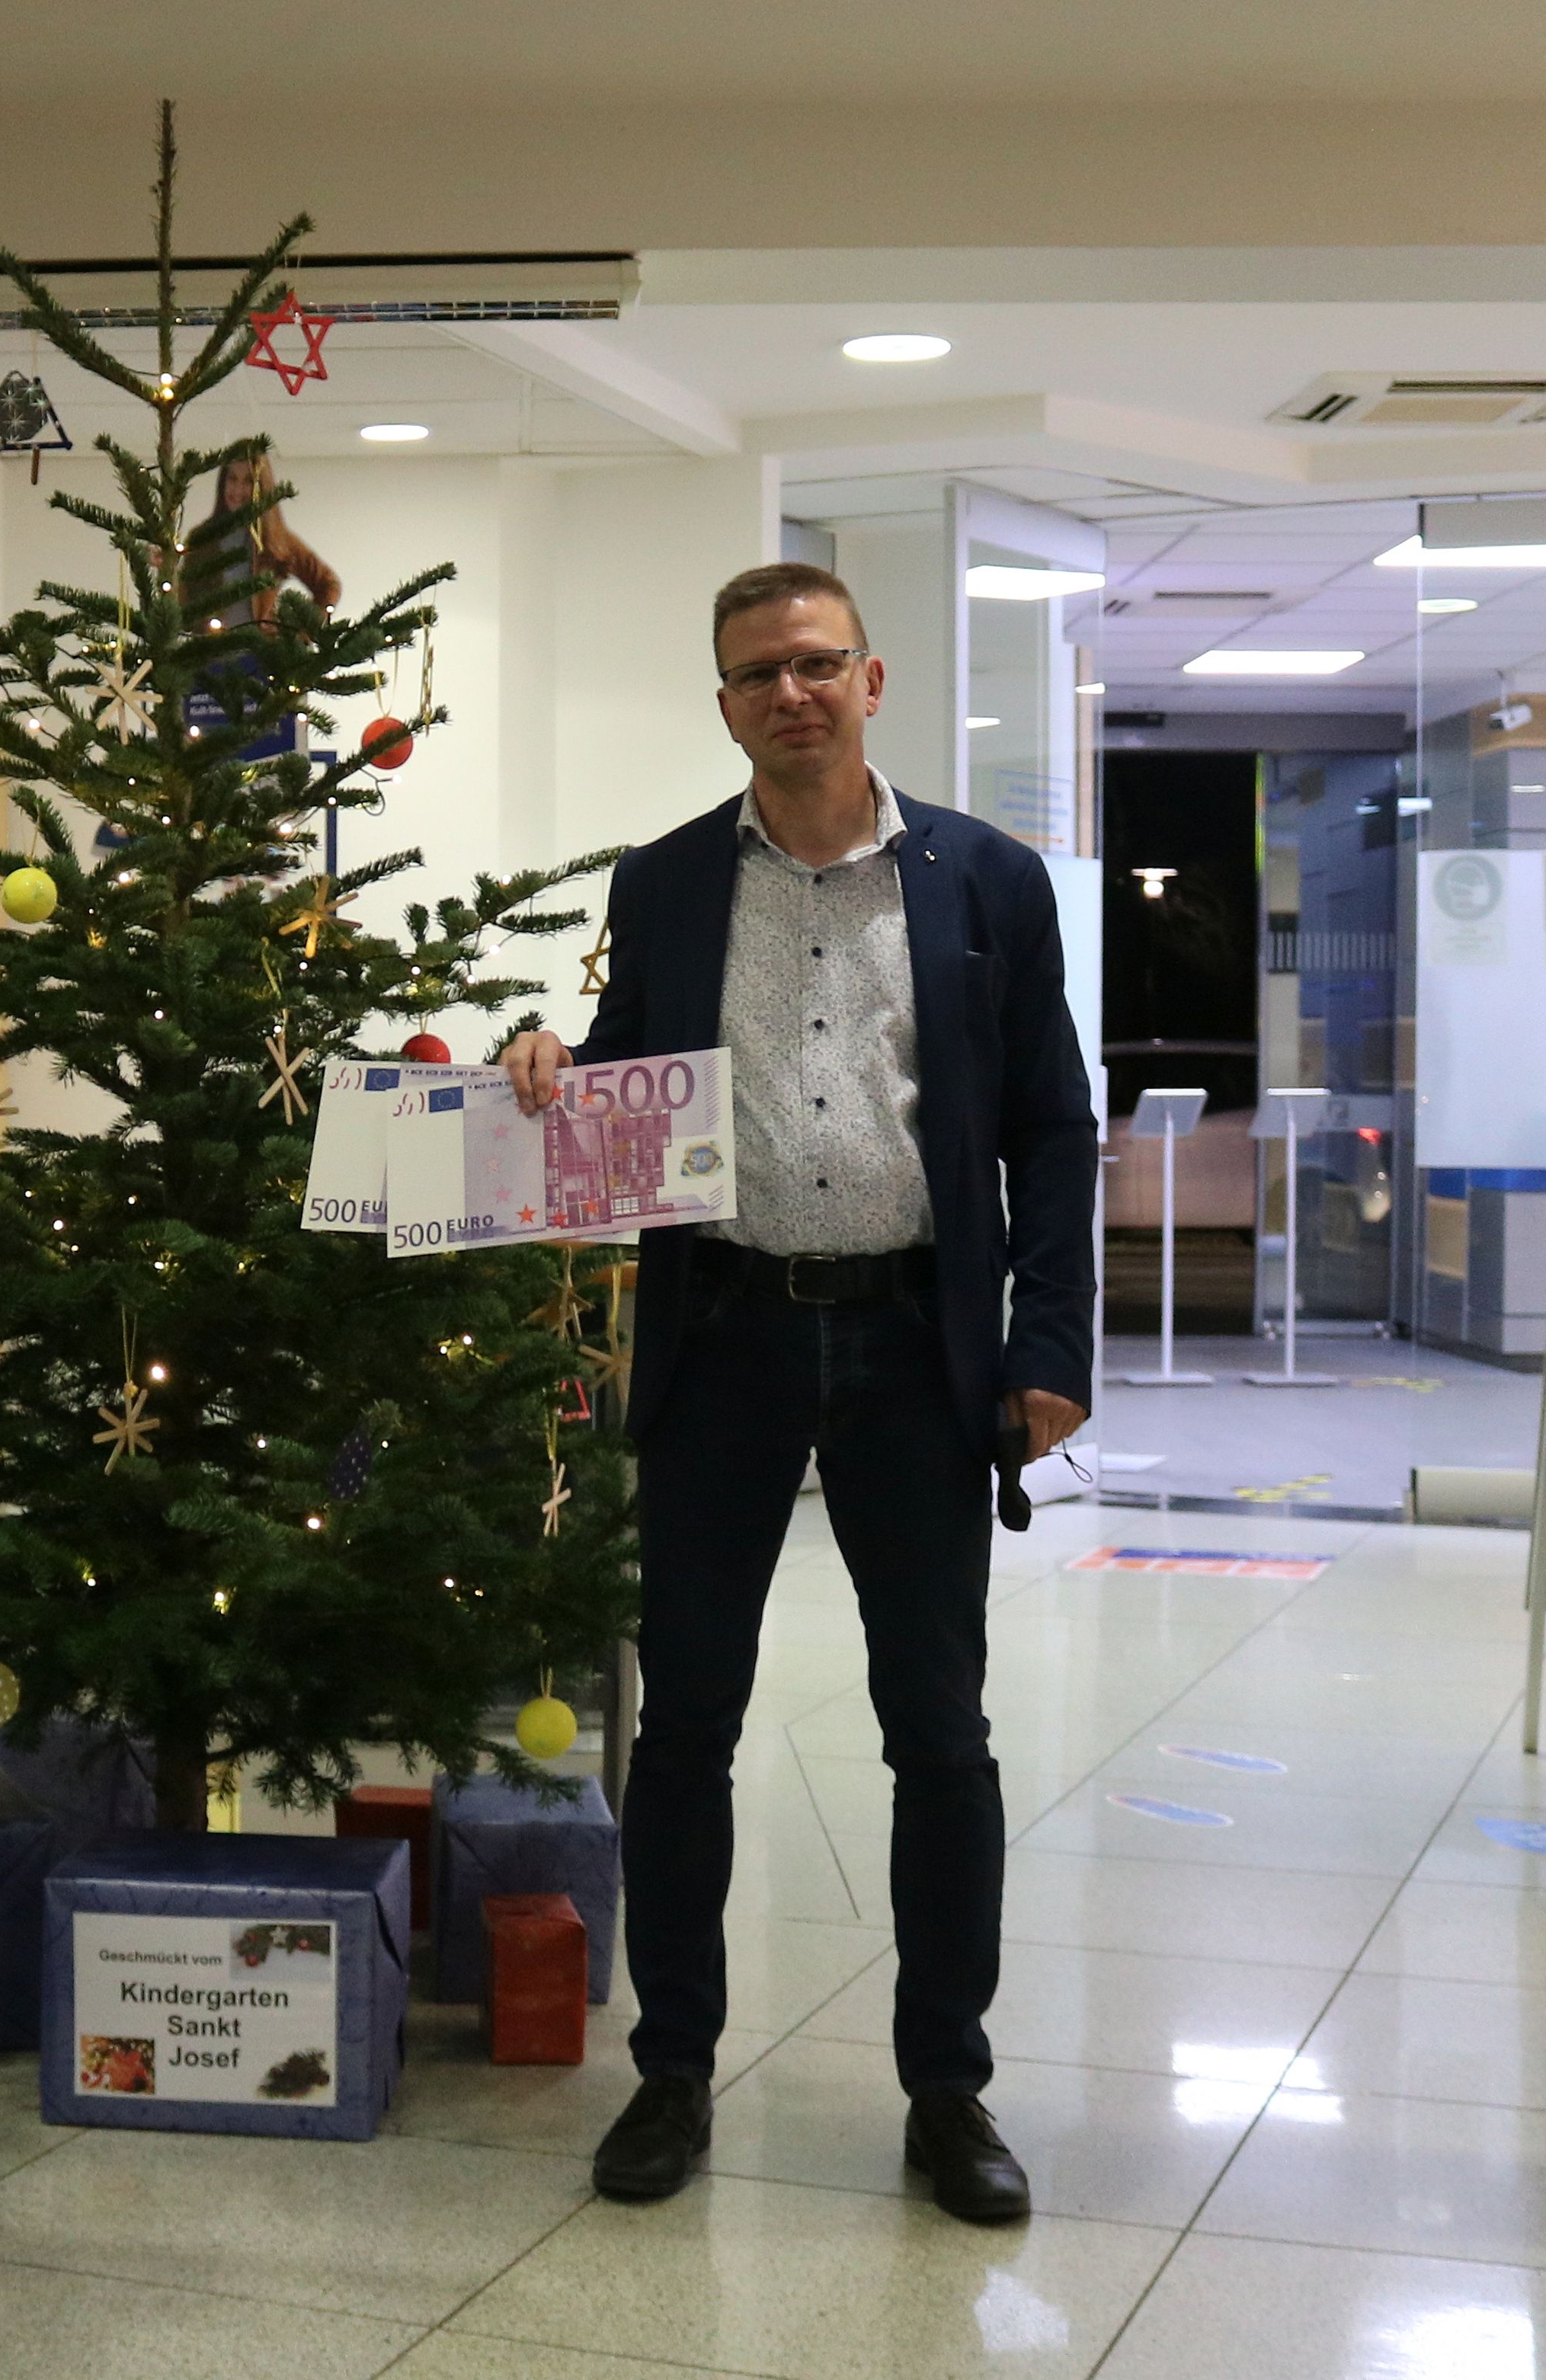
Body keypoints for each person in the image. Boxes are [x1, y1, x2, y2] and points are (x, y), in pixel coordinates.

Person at [499, 561, 1098, 2219]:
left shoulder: (985, 877)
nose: (790, 691)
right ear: (724, 702)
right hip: (724, 1343)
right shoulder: (670, 878)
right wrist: (551, 1066)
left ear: (871, 676)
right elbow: (628, 1079)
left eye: (816, 661)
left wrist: (1047, 1344)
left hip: (918, 1346)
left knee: (939, 1731)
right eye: (757, 671)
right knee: (683, 1721)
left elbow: (1051, 1124)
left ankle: (946, 2088)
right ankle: (672, 2069)